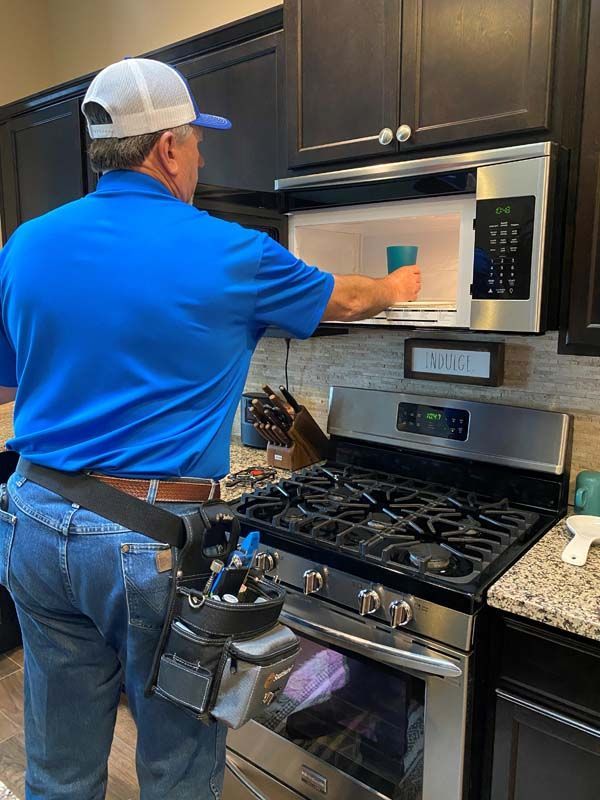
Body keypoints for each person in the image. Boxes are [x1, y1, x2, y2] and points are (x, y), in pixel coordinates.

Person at [0, 58, 421, 800]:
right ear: (166, 147)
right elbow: (346, 302)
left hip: (34, 518)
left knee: (58, 766)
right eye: (196, 142)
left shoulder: (26, 245)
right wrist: (399, 284)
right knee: (179, 767)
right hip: (149, 539)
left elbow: (8, 380)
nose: (201, 157)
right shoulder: (231, 253)